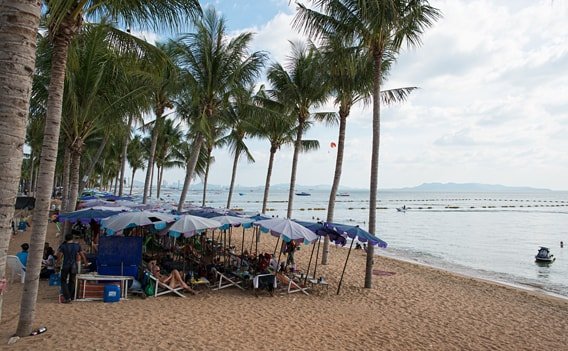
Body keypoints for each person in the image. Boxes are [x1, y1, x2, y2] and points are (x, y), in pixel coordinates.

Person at [57, 233, 89, 303]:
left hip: (65, 265)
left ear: (66, 239)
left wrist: (58, 263)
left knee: (63, 281)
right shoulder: (77, 246)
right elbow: (82, 255)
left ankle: (67, 297)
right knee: (72, 281)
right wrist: (85, 262)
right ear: (72, 239)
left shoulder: (63, 246)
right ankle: (71, 297)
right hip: (74, 266)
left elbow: (59, 256)